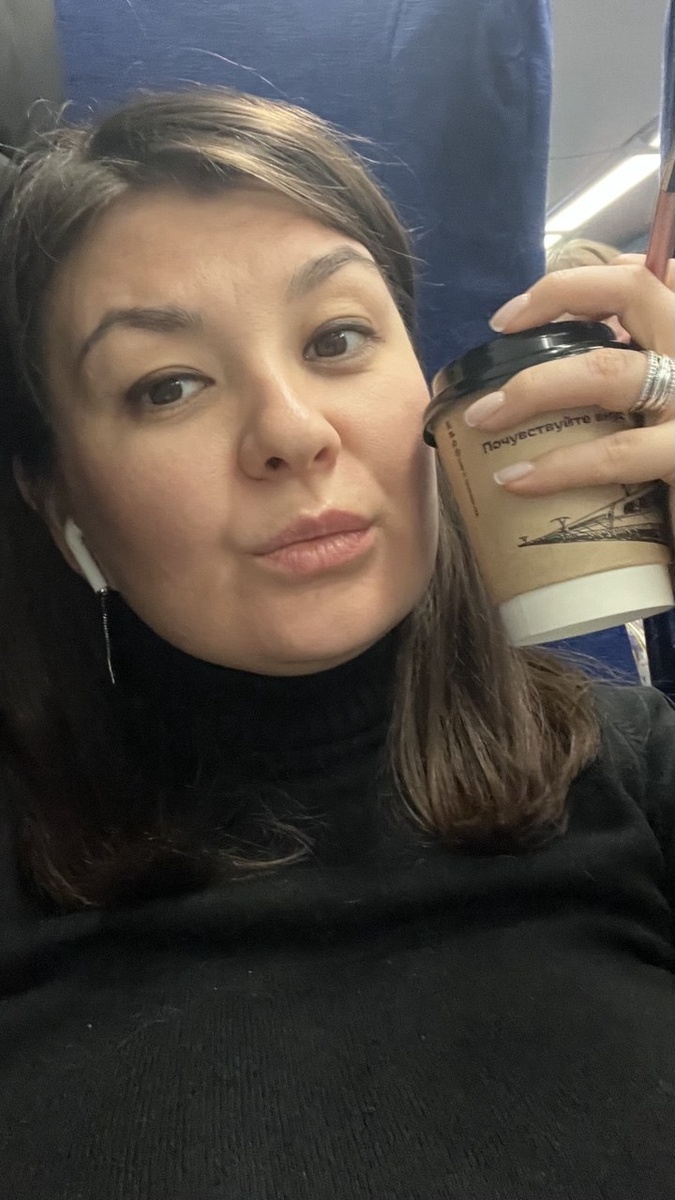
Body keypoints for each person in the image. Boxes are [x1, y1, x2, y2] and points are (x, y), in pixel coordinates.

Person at [0, 88, 674, 1199]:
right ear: (57, 496)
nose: (292, 431)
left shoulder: (635, 771)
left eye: (336, 339)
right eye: (168, 387)